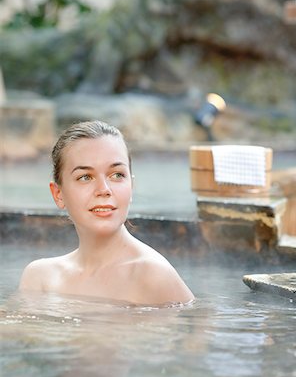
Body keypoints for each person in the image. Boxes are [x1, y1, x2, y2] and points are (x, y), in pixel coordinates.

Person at [19, 120, 194, 306]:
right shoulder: (39, 279)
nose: (104, 189)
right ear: (58, 194)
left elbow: (198, 329)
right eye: (85, 177)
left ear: (132, 186)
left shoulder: (152, 275)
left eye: (117, 175)